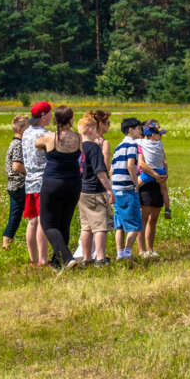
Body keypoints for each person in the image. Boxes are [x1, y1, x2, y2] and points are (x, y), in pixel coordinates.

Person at [35, 105, 82, 271]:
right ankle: (57, 263)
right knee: (64, 223)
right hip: (74, 183)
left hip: (53, 182)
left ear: (56, 119)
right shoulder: (78, 137)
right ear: (70, 120)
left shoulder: (50, 137)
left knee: (48, 224)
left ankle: (68, 258)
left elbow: (36, 143)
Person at [77, 112, 115, 266]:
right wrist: (109, 189)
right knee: (100, 226)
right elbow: (100, 171)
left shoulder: (79, 147)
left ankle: (87, 258)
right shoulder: (94, 148)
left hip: (82, 189)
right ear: (91, 130)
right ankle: (100, 258)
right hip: (95, 190)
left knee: (86, 227)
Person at [21, 101, 52, 265]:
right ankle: (43, 258)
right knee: (43, 220)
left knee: (32, 221)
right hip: (43, 179)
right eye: (49, 113)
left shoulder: (26, 133)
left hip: (29, 180)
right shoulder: (45, 134)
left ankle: (33, 259)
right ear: (44, 116)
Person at [112, 118, 144, 261]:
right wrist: (136, 183)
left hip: (116, 189)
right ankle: (127, 254)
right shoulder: (132, 144)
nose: (140, 131)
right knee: (135, 225)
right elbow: (130, 165)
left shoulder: (119, 146)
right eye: (138, 128)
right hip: (127, 189)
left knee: (119, 224)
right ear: (130, 129)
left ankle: (120, 253)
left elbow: (112, 170)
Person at [3, 114, 28, 250]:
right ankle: (6, 242)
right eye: (27, 127)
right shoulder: (18, 145)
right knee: (17, 215)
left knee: (16, 215)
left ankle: (7, 241)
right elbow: (16, 166)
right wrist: (31, 171)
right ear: (19, 129)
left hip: (13, 184)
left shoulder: (14, 143)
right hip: (19, 184)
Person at [139, 118, 171, 217]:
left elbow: (141, 164)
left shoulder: (142, 143)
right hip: (161, 171)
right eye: (159, 134)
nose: (161, 136)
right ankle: (167, 209)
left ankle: (131, 202)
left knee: (135, 186)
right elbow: (164, 161)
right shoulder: (160, 145)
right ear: (153, 135)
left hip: (148, 173)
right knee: (164, 190)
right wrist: (165, 172)